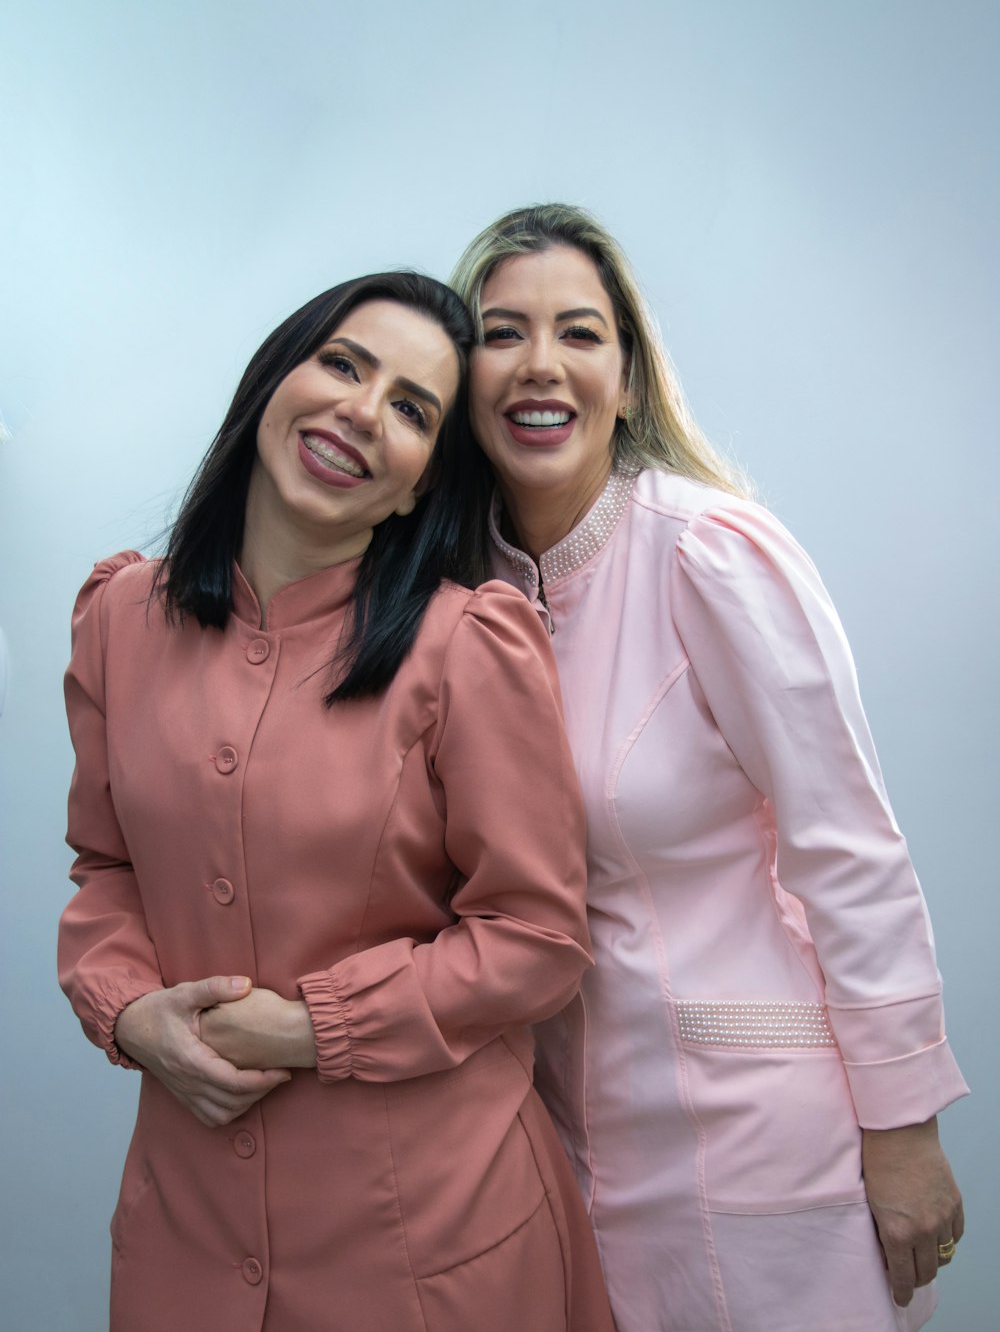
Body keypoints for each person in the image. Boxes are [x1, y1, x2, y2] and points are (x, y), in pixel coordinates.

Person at [57, 271, 616, 1332]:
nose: (363, 412)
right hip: (188, 1233)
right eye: (344, 365)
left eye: (411, 409)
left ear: (418, 486)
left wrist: (316, 1030)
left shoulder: (466, 648)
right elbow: (106, 868)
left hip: (429, 1248)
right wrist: (130, 1012)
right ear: (275, 381)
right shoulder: (119, 618)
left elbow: (538, 937)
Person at [450, 204, 968, 1332]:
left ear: (628, 378)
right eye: (502, 333)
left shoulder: (710, 554)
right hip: (567, 1162)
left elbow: (851, 848)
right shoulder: (458, 598)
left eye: (580, 334)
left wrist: (906, 1126)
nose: (542, 365)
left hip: (761, 1148)